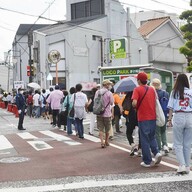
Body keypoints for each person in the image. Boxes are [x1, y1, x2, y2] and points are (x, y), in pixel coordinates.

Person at [132, 72, 162, 167]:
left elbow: (134, 103)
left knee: (144, 139)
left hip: (143, 117)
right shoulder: (152, 89)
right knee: (152, 136)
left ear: (139, 80)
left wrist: (134, 105)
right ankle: (156, 153)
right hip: (152, 116)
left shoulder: (137, 89)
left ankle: (147, 161)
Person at [167, 74, 192, 174]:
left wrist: (169, 120)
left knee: (178, 143)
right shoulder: (190, 92)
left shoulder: (174, 92)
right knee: (187, 144)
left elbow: (170, 108)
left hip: (179, 115)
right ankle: (187, 166)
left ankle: (181, 165)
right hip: (189, 116)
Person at [151, 78, 169, 154]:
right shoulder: (165, 93)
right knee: (163, 130)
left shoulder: (152, 93)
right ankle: (165, 145)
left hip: (156, 115)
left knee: (157, 132)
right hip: (164, 114)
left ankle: (159, 147)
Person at [94, 79, 114, 148]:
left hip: (99, 112)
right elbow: (111, 103)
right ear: (106, 85)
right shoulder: (109, 93)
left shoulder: (97, 92)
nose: (110, 86)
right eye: (109, 84)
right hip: (107, 113)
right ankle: (106, 141)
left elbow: (95, 101)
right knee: (107, 129)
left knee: (100, 129)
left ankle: (102, 142)